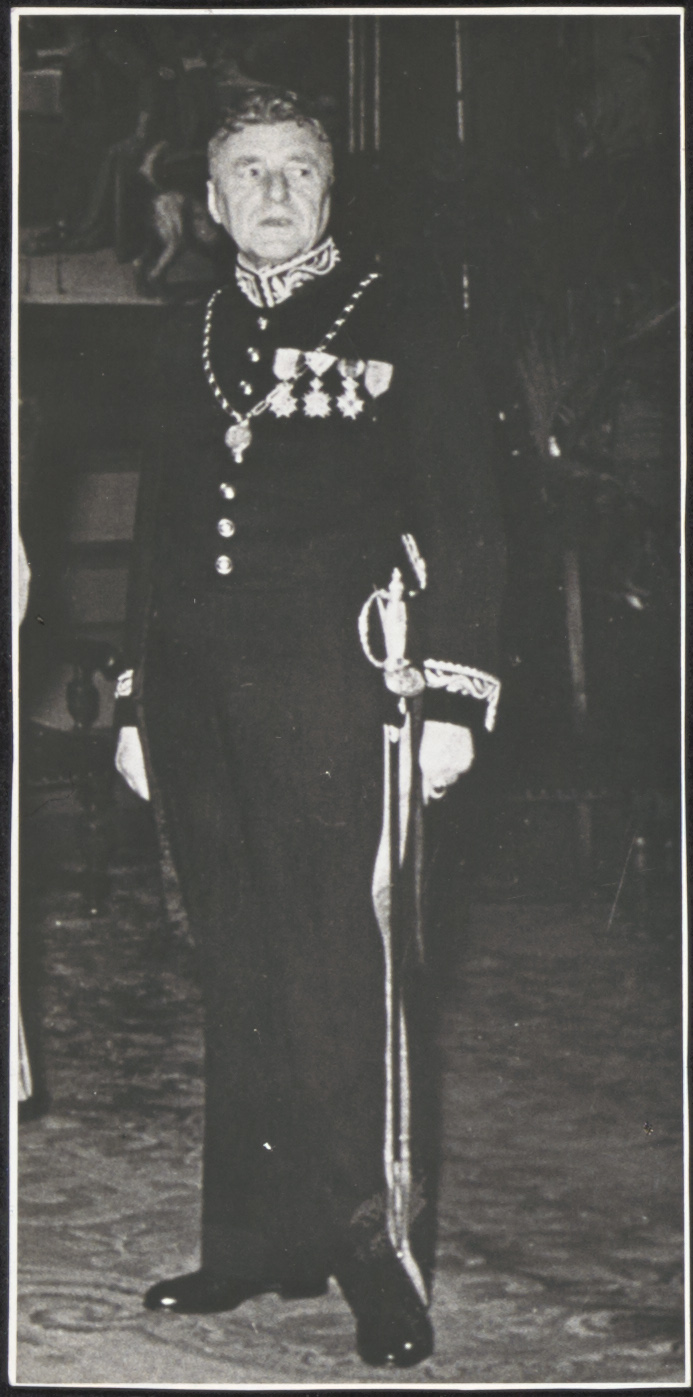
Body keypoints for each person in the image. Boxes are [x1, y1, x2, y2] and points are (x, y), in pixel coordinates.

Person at [114, 86, 505, 1368]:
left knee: (344, 975)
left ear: (329, 190)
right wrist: (135, 701)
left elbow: (465, 515)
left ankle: (375, 1259)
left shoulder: (404, 317)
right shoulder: (188, 331)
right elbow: (161, 528)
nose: (273, 192)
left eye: (296, 169)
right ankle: (255, 1243)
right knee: (237, 964)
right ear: (211, 202)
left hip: (340, 694)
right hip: (198, 703)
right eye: (248, 172)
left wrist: (453, 697)